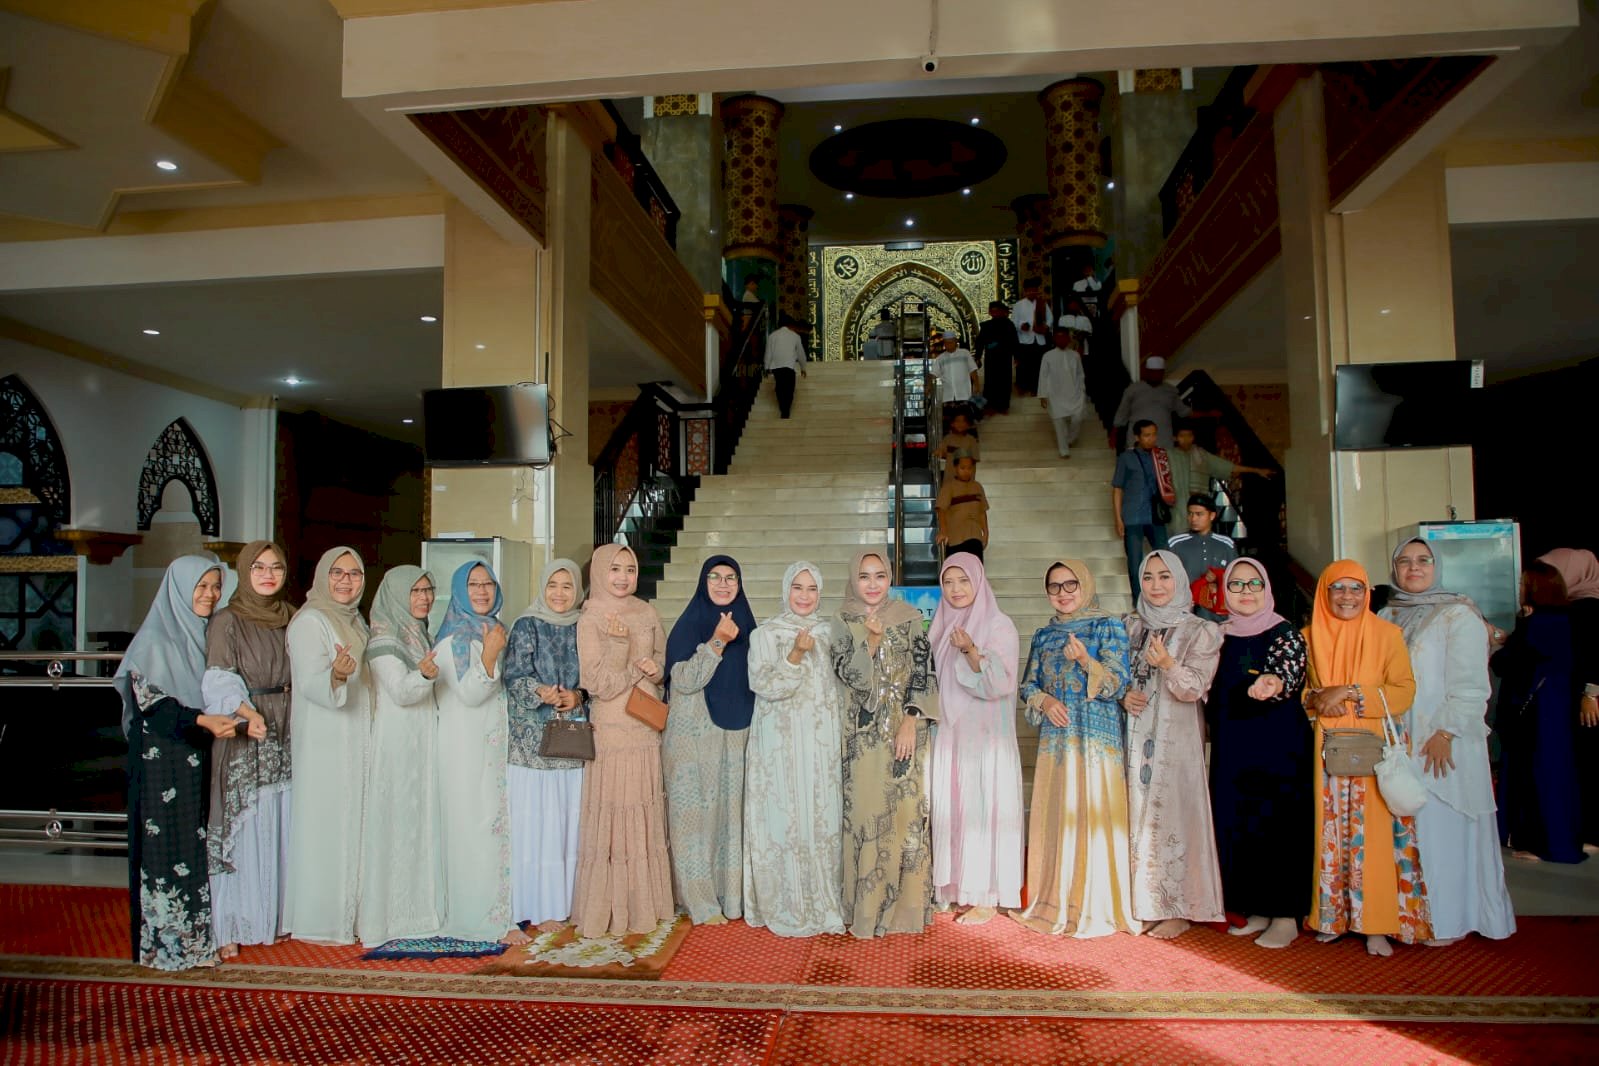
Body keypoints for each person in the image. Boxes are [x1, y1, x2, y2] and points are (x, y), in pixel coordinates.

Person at [1380, 539, 1515, 943]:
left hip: (1444, 741)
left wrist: (1446, 732)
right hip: (1400, 739)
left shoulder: (1458, 614)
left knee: (1446, 828)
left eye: (1423, 560)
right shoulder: (1388, 613)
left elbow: (1472, 685)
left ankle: (1449, 919)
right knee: (1410, 827)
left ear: (1436, 567)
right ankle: (1410, 918)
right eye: (1404, 561)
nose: (1414, 568)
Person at [1304, 560, 1429, 957]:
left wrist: (1351, 692)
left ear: (1367, 593)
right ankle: (1333, 919)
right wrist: (1317, 700)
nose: (1347, 596)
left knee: (1373, 837)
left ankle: (1376, 923)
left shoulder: (1387, 635)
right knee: (1330, 833)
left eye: (1356, 588)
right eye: (1338, 588)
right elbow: (1302, 693)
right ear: (1324, 593)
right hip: (1327, 747)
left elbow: (1404, 691)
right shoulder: (1308, 636)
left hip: (1374, 749)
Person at [120, 555, 239, 970]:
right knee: (165, 846)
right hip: (161, 759)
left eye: (216, 586)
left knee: (196, 843)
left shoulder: (205, 634)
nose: (210, 595)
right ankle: (166, 944)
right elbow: (153, 705)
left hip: (197, 753)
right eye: (201, 587)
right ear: (178, 589)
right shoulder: (154, 641)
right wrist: (203, 720)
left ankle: (198, 939)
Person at [1013, 561, 1134, 937]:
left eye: (1071, 585)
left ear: (1085, 585)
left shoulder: (1108, 626)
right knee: (1057, 815)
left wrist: (1085, 660)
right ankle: (1055, 901)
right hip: (1057, 743)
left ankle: (1095, 905)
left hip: (1097, 741)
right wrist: (1045, 700)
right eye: (1054, 587)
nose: (1063, 593)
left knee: (1093, 815)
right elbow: (1027, 685)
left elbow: (1118, 684)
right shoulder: (1043, 635)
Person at [833, 548, 940, 938]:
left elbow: (924, 672)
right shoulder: (843, 620)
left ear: (890, 578)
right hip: (862, 739)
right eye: (864, 576)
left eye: (880, 575)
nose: (873, 584)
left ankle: (904, 909)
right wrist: (872, 642)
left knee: (905, 815)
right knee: (867, 815)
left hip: (906, 732)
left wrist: (911, 719)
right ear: (854, 579)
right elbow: (847, 675)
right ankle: (865, 909)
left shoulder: (909, 618)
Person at [1120, 551, 1224, 939]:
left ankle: (1178, 907)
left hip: (1176, 737)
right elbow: (1117, 676)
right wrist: (1122, 695)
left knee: (1175, 814)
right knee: (1134, 814)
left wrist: (1168, 664)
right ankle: (1142, 904)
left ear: (1179, 580)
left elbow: (1194, 688)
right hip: (1134, 733)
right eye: (1148, 577)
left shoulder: (1201, 631)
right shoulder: (1130, 625)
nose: (1156, 585)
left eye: (1165, 577)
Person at [572, 543, 674, 938]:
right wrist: (627, 658)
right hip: (613, 728)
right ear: (599, 572)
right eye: (614, 569)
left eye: (630, 569)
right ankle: (610, 908)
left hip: (644, 725)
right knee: (616, 811)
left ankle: (645, 903)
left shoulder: (646, 612)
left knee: (643, 808)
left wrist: (655, 669)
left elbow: (661, 661)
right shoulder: (590, 617)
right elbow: (598, 684)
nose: (623, 577)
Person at [1207, 558, 1310, 950]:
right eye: (1237, 584)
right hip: (1233, 746)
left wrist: (1272, 682)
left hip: (1278, 747)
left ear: (1266, 589)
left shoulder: (1284, 632)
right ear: (1225, 592)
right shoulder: (1218, 635)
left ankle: (1285, 915)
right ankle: (1257, 908)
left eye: (1254, 584)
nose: (1246, 592)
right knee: (1241, 822)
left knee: (1279, 826)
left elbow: (1288, 672)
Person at [744, 561, 847, 937]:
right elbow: (763, 685)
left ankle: (824, 899)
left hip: (820, 745)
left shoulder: (831, 633)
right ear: (785, 590)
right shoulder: (766, 634)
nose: (804, 596)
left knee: (821, 814)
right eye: (797, 588)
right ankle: (786, 901)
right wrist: (795, 655)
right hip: (780, 745)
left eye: (812, 588)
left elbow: (843, 685)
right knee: (783, 816)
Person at [203, 539, 294, 958]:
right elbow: (218, 678)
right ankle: (233, 923)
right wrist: (246, 713)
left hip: (287, 723)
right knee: (245, 819)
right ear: (244, 571)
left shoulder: (291, 616)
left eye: (276, 567)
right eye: (259, 567)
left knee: (279, 816)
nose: (268, 575)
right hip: (248, 726)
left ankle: (273, 917)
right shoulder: (227, 620)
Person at [927, 554, 1023, 925]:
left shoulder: (999, 625)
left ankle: (985, 894)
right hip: (950, 732)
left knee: (983, 806)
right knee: (953, 805)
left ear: (978, 582)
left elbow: (1000, 683)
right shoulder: (940, 625)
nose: (956, 589)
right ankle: (953, 888)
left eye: (963, 580)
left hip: (986, 736)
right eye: (948, 582)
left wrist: (970, 651)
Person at [663, 555, 758, 925]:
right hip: (693, 735)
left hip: (737, 732)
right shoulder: (689, 625)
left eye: (731, 577)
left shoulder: (749, 628)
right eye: (715, 577)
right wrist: (717, 641)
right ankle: (700, 901)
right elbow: (685, 681)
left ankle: (731, 898)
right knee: (694, 821)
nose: (723, 584)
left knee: (732, 820)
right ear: (703, 582)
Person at [282, 547, 370, 945]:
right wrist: (334, 675)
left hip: (355, 733)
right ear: (322, 576)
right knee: (326, 825)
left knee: (352, 824)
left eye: (354, 574)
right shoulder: (310, 621)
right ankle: (322, 920)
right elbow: (308, 683)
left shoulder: (355, 620)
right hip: (324, 740)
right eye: (337, 573)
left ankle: (351, 914)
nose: (346, 581)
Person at [431, 561, 518, 944]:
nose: (482, 591)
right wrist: (491, 654)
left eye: (488, 584)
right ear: (459, 592)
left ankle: (500, 910)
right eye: (473, 584)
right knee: (472, 826)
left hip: (493, 743)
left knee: (495, 825)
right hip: (464, 748)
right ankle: (475, 919)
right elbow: (469, 693)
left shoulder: (496, 629)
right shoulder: (453, 640)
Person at [358, 565, 445, 946]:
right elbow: (400, 691)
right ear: (395, 595)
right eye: (415, 591)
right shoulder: (384, 638)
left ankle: (420, 911)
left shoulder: (418, 632)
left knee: (419, 821)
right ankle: (389, 918)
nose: (424, 598)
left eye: (428, 590)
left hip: (420, 738)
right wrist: (424, 675)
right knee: (397, 824)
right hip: (397, 743)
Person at [503, 559, 590, 932]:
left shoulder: (584, 625)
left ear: (578, 590)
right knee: (536, 827)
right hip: (531, 748)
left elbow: (592, 677)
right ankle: (535, 906)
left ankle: (563, 905)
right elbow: (513, 676)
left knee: (566, 825)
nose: (559, 593)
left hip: (570, 743)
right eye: (552, 585)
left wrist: (578, 695)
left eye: (567, 586)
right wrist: (539, 691)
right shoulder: (526, 624)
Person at [1493, 560, 1584, 864]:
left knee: (1536, 776)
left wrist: (1502, 641)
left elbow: (1506, 663)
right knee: (1557, 775)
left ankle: (1542, 844)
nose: (1519, 589)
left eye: (1523, 584)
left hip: (1536, 713)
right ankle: (1559, 840)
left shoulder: (1538, 624)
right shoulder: (1565, 620)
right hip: (1556, 709)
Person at [1536, 548, 1599, 854]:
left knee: (1589, 764)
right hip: (1575, 698)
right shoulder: (1573, 607)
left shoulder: (1589, 608)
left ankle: (1592, 834)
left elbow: (1594, 654)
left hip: (1589, 701)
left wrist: (1591, 693)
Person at [1167, 423, 1274, 538]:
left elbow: (1228, 467)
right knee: (1178, 538)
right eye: (1182, 436)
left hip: (1199, 504)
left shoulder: (1202, 455)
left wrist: (1256, 470)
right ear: (1175, 438)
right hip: (1177, 507)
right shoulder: (1168, 456)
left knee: (1200, 537)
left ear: (1193, 437)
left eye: (1189, 435)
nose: (1186, 439)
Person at [1112, 420, 1174, 601]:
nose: (1151, 439)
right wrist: (1118, 519)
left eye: (1154, 434)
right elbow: (1117, 488)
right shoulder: (1126, 457)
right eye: (1147, 435)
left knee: (1165, 557)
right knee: (1135, 562)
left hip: (1156, 515)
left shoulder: (1161, 455)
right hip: (1133, 516)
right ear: (1137, 437)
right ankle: (1138, 602)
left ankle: (1166, 598)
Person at [1168, 493, 1237, 620]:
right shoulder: (1175, 543)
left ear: (1212, 516)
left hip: (1217, 616)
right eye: (1190, 514)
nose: (1193, 518)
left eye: (1199, 514)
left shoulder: (1226, 544)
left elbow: (1235, 578)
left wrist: (1218, 576)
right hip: (1184, 613)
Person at [1112, 356, 1190, 450]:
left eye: (1159, 372)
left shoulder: (1171, 391)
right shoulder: (1133, 390)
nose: (1156, 375)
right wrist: (1113, 436)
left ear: (1163, 373)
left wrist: (1204, 413)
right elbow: (1121, 414)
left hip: (1163, 442)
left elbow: (1184, 412)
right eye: (1153, 372)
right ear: (1147, 372)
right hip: (1137, 442)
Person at [1037, 325, 1087, 459]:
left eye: (1064, 337)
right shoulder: (1047, 356)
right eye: (1058, 337)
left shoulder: (1075, 355)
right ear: (1054, 339)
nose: (1061, 340)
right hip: (1055, 395)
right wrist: (1042, 395)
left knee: (1077, 418)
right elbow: (1043, 376)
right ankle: (1064, 450)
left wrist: (1082, 390)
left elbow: (1080, 374)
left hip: (1074, 394)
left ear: (1069, 339)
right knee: (1059, 423)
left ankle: (1070, 439)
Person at [935, 453, 988, 561]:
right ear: (955, 468)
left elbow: (982, 512)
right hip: (955, 539)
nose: (966, 471)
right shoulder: (948, 487)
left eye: (969, 468)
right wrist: (943, 530)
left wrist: (986, 533)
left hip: (975, 537)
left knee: (975, 568)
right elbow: (941, 510)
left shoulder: (977, 487)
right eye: (962, 468)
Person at [975, 300, 1017, 413]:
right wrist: (978, 356)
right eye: (992, 311)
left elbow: (1014, 341)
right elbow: (980, 342)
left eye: (997, 311)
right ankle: (990, 406)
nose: (995, 313)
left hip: (1005, 357)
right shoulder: (986, 326)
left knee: (1004, 381)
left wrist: (1017, 356)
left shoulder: (1009, 325)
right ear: (989, 312)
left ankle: (1003, 406)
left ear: (1002, 311)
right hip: (991, 358)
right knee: (990, 381)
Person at [1011, 276, 1052, 395]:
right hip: (1024, 339)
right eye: (1029, 290)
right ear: (1025, 291)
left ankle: (1036, 388)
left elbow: (1050, 318)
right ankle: (1023, 387)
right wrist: (1021, 325)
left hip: (1039, 339)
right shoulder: (1019, 305)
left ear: (1037, 291)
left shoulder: (1042, 303)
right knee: (1024, 365)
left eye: (1034, 290)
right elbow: (1014, 321)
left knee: (1037, 365)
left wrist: (1046, 326)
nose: (1032, 292)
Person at [764, 314, 809, 419]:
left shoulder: (772, 336)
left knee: (780, 387)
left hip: (776, 367)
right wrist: (803, 368)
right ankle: (786, 410)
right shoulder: (795, 336)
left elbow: (768, 353)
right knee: (789, 388)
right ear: (790, 324)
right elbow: (801, 354)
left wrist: (766, 367)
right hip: (789, 366)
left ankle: (782, 408)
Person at [934, 331, 979, 412]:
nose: (949, 345)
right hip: (947, 396)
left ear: (955, 342)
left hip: (964, 394)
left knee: (963, 416)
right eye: (946, 343)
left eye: (951, 342)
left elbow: (972, 369)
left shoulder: (965, 353)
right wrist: (928, 385)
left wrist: (977, 385)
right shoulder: (940, 358)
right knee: (950, 417)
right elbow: (934, 373)